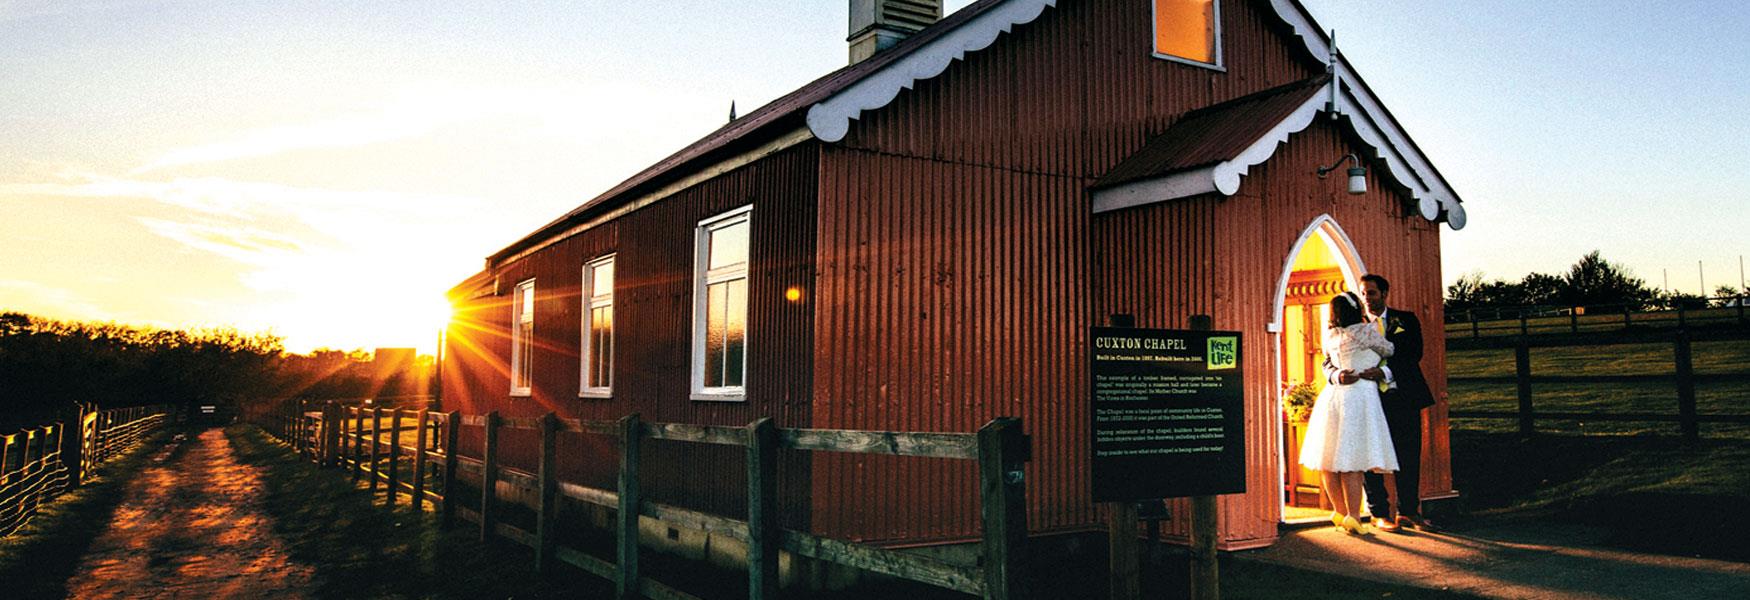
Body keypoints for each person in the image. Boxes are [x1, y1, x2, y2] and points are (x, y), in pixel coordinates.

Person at [1341, 273, 1438, 532]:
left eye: (1371, 293)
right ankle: (1379, 513)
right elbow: (1332, 357)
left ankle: (1408, 512)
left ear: (1385, 294)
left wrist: (1385, 373)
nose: (1367, 299)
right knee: (1371, 456)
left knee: (1408, 455)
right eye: (1363, 294)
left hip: (1404, 398)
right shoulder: (1354, 326)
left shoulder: (1405, 320)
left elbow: (1413, 354)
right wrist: (1335, 374)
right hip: (1369, 400)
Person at [1299, 291, 1399, 535]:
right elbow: (1390, 349)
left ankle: (1339, 511)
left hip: (1334, 394)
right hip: (1361, 394)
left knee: (1329, 458)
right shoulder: (1364, 331)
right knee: (1352, 459)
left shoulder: (1331, 335)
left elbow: (1328, 361)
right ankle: (1354, 516)